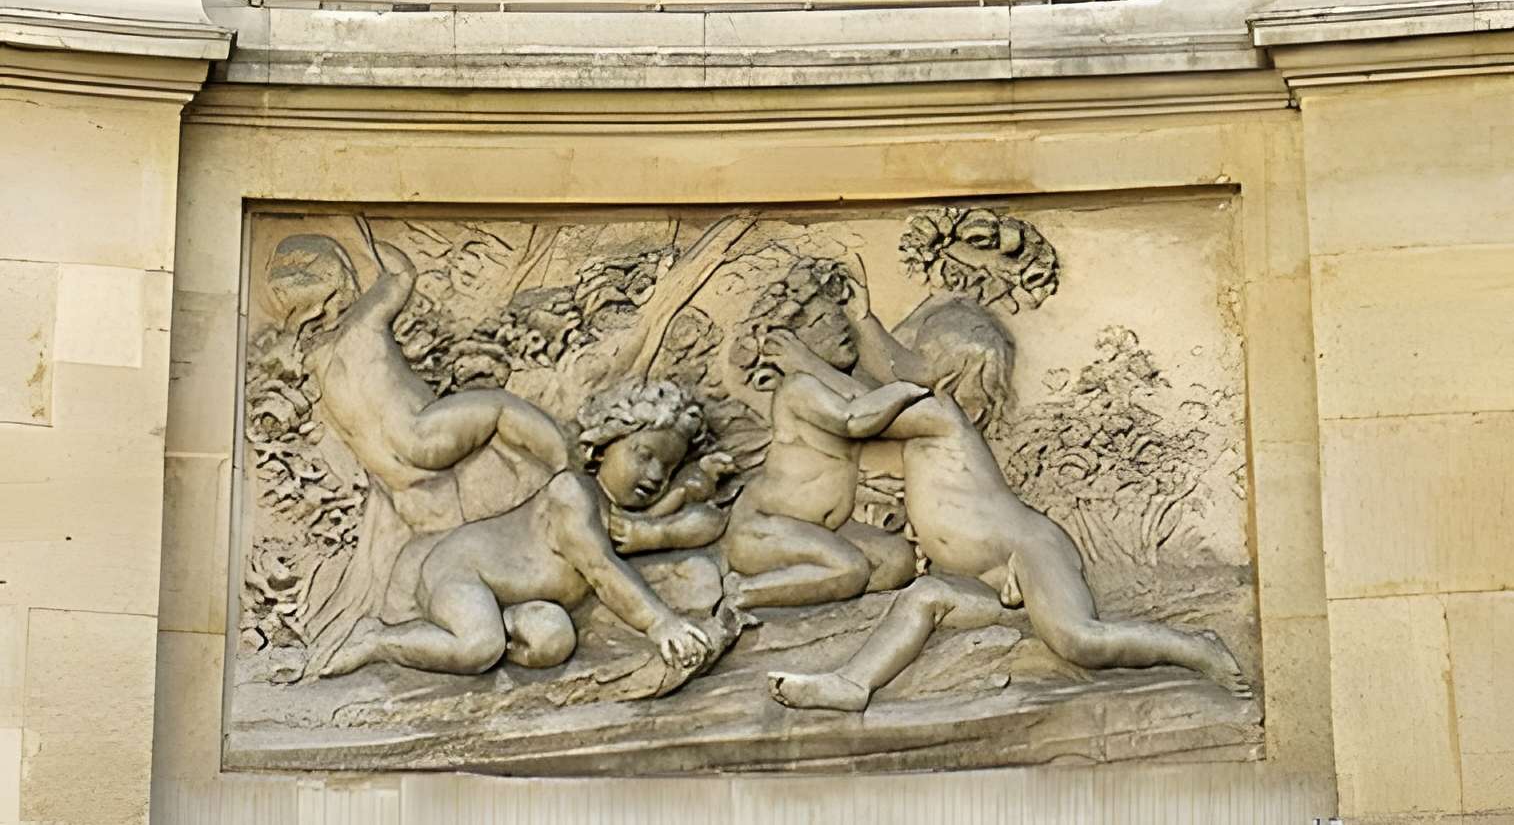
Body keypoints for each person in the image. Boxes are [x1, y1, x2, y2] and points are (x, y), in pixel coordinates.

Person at [768, 294, 1249, 711]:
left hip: (1028, 550)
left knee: (1078, 639)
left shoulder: (940, 415)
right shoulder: (925, 416)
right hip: (989, 577)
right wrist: (861, 320)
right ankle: (853, 684)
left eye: (922, 361)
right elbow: (877, 388)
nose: (904, 369)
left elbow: (858, 410)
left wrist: (807, 362)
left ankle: (1196, 647)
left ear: (944, 375)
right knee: (925, 597)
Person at [320, 379, 721, 681]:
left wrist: (696, 485)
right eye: (644, 454)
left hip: (511, 601)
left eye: (669, 467)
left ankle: (502, 626)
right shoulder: (572, 493)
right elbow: (601, 569)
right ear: (603, 445)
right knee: (480, 646)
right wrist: (659, 622)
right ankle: (379, 640)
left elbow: (686, 527)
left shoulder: (611, 514)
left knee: (553, 639)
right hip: (462, 572)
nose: (655, 474)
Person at [266, 219, 569, 533]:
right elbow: (402, 274)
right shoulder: (362, 321)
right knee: (501, 406)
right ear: (339, 279)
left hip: (398, 482)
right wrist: (367, 247)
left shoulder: (307, 358)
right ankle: (565, 463)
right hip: (420, 436)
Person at [724, 258, 927, 609]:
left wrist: (862, 320)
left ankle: (813, 591)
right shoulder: (798, 387)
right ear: (790, 345)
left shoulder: (835, 382)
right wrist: (905, 391)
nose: (838, 325)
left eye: (837, 315)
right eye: (820, 322)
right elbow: (854, 417)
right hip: (765, 528)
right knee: (850, 569)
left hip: (821, 531)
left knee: (898, 560)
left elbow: (871, 399)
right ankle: (740, 595)